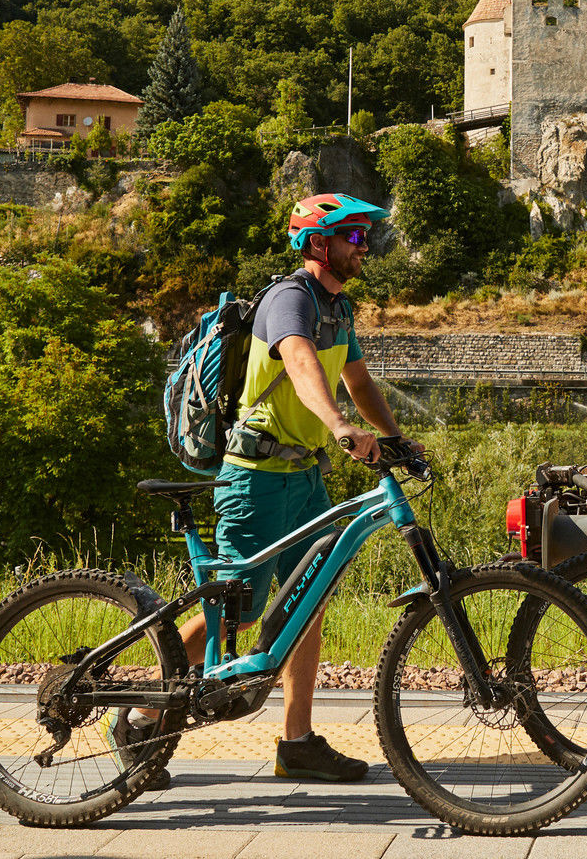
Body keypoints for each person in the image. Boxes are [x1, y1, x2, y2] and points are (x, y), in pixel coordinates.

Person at [113, 193, 405, 787]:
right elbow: (299, 363)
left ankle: (297, 743)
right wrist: (340, 426)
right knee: (236, 613)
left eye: (364, 236)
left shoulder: (339, 308)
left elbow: (358, 381)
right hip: (256, 477)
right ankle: (140, 717)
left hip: (306, 477)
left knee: (308, 602)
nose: (364, 246)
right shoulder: (289, 299)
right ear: (319, 243)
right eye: (353, 236)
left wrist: (396, 438)